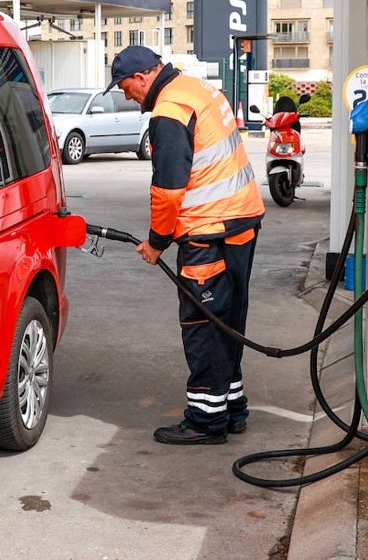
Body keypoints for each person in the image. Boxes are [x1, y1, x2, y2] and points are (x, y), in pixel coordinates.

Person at [107, 45, 265, 445]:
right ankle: (231, 408)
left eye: (126, 87)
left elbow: (169, 190)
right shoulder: (197, 88)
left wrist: (157, 242)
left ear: (143, 77)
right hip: (240, 220)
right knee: (227, 320)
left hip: (209, 231)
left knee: (203, 323)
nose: (128, 96)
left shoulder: (169, 110)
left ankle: (205, 421)